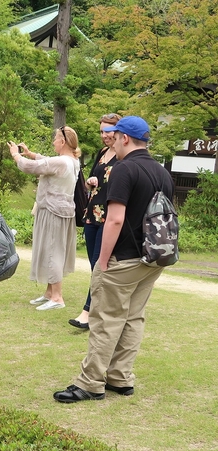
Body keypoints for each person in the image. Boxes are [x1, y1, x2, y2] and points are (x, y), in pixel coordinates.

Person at [53, 116, 174, 403]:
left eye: (114, 135)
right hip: (153, 258)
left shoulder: (124, 169)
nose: (111, 141)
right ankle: (120, 377)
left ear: (125, 138)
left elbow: (115, 219)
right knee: (133, 318)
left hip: (124, 257)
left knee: (106, 318)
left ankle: (91, 383)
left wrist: (103, 261)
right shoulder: (162, 172)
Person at [8, 126, 80, 310]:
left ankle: (57, 297)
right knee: (54, 250)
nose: (53, 142)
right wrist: (31, 153)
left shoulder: (62, 162)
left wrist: (17, 155)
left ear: (62, 142)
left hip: (53, 210)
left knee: (53, 252)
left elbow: (30, 167)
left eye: (55, 139)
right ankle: (50, 292)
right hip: (63, 210)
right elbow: (47, 162)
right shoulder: (72, 161)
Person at [69, 113, 121, 330]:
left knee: (101, 265)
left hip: (110, 216)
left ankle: (88, 312)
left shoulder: (125, 156)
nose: (104, 136)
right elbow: (94, 180)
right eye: (101, 131)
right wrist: (91, 182)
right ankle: (104, 308)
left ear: (119, 132)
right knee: (94, 266)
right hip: (93, 214)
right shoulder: (102, 153)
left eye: (107, 131)